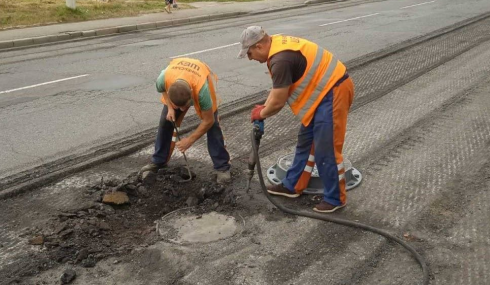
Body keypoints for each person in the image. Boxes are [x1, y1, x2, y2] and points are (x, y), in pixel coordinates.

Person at [238, 27, 354, 213]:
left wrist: (262, 113)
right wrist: (263, 106)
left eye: (249, 53)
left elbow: (277, 102)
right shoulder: (276, 48)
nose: (250, 58)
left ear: (259, 46)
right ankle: (292, 186)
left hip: (334, 90)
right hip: (320, 93)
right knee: (305, 142)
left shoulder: (280, 59)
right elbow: (277, 89)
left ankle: (335, 198)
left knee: (326, 149)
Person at [140, 58, 231, 183]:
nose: (183, 109)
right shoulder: (163, 79)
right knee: (165, 121)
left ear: (192, 94)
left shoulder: (202, 90)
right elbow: (162, 90)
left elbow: (208, 121)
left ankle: (222, 167)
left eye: (186, 106)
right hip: (177, 80)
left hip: (200, 75)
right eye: (179, 107)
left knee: (213, 126)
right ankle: (159, 161)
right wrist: (171, 108)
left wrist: (189, 140)